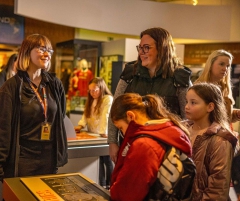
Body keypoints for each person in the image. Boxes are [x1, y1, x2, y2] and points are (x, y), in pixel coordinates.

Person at [0, 34, 68, 192]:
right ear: (26, 51)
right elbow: (2, 131)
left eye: (49, 50)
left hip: (49, 158)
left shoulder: (54, 84)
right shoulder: (11, 87)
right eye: (41, 49)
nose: (47, 53)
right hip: (22, 159)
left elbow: (60, 116)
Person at [108, 27, 192, 163]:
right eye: (140, 47)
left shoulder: (180, 77)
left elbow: (188, 118)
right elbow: (115, 109)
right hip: (131, 147)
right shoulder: (130, 73)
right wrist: (112, 142)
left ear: (162, 48)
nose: (141, 52)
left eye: (146, 48)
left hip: (166, 152)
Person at [109, 93, 191, 201]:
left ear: (130, 116)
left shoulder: (144, 145)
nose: (123, 133)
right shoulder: (170, 130)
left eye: (121, 127)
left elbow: (127, 193)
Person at [185, 83, 237, 200]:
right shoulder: (182, 130)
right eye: (186, 101)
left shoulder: (220, 139)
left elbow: (218, 188)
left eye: (193, 102)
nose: (186, 106)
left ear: (210, 107)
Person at [74, 77, 114, 190]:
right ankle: (101, 184)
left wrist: (103, 132)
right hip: (93, 134)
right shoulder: (91, 99)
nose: (92, 93)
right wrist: (80, 125)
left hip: (103, 135)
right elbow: (86, 115)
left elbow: (105, 116)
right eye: (90, 91)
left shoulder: (107, 99)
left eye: (95, 90)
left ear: (101, 88)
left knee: (107, 159)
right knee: (99, 160)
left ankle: (111, 184)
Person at [195, 49, 240, 123]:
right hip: (205, 133)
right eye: (221, 64)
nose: (225, 68)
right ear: (211, 64)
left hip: (225, 131)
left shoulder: (225, 87)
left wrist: (236, 114)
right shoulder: (198, 87)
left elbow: (226, 118)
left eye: (228, 66)